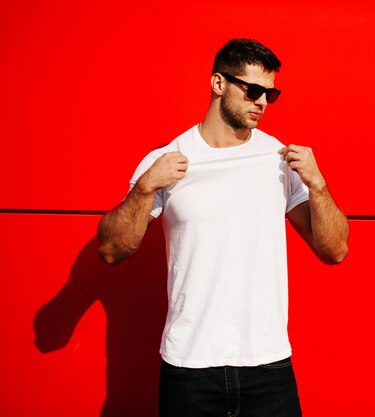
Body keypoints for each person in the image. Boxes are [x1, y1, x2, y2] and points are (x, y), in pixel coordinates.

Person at [97, 38, 349, 417]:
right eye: (252, 91)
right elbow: (112, 249)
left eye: (270, 94)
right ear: (218, 83)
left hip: (268, 367)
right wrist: (147, 185)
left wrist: (318, 184)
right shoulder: (168, 159)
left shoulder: (279, 160)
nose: (262, 102)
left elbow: (335, 251)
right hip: (189, 369)